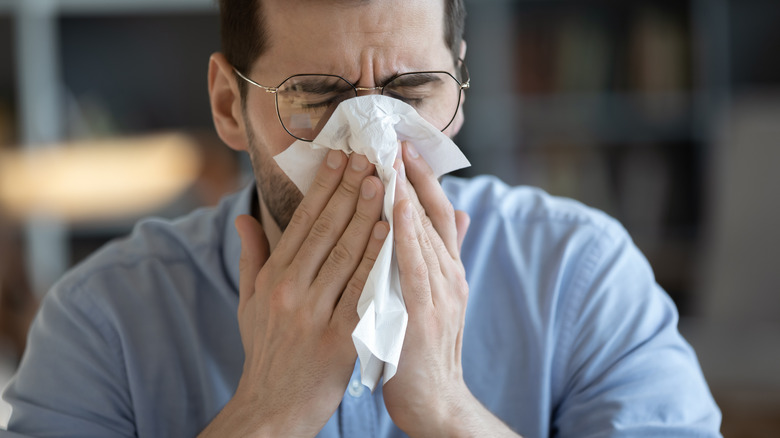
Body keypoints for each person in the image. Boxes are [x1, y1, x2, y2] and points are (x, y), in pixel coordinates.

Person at [2, 0, 722, 436]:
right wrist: (268, 416)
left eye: (412, 89)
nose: (374, 143)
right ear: (229, 105)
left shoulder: (583, 278)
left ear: (461, 91)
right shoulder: (101, 323)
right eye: (316, 96)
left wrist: (448, 412)